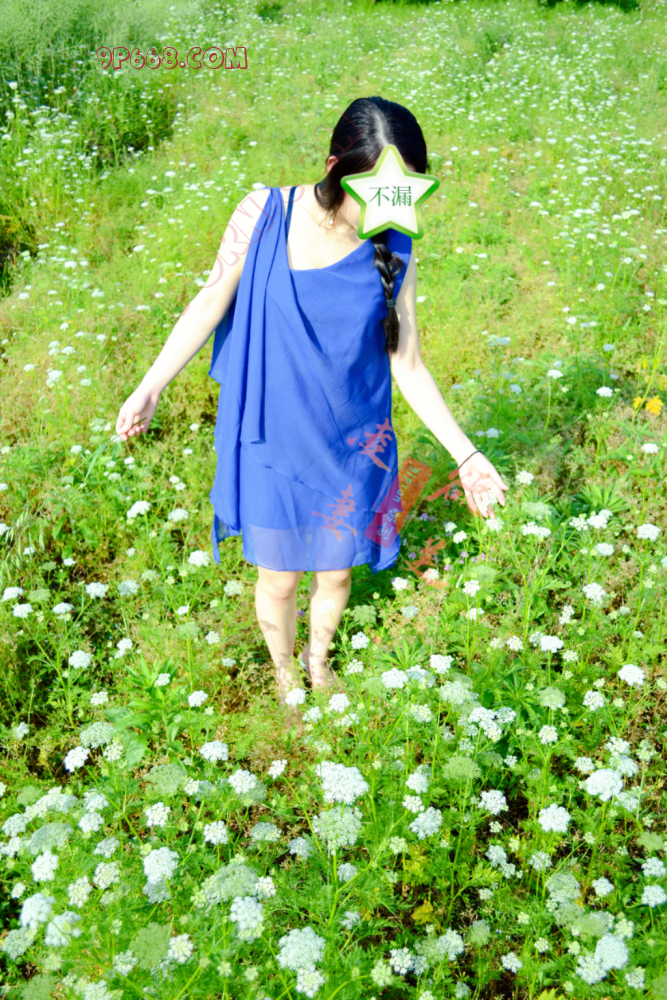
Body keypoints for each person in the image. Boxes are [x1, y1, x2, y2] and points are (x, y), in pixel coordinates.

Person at [115, 96, 509, 710]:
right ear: (334, 168)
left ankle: (318, 663)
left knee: (336, 572)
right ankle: (284, 676)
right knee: (277, 579)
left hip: (351, 441)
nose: (385, 210)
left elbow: (406, 362)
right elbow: (210, 300)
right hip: (272, 437)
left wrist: (466, 454)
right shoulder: (263, 214)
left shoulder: (396, 244)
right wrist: (151, 384)